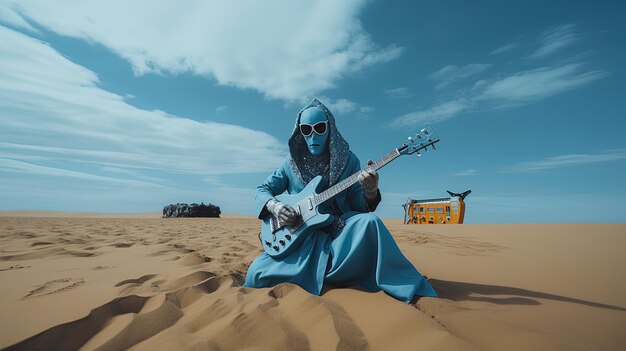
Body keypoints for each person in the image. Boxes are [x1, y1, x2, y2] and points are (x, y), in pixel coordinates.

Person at [244, 98, 436, 303]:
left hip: (339, 234)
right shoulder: (289, 163)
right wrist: (276, 206)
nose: (313, 135)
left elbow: (356, 203)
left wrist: (370, 192)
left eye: (319, 128)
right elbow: (263, 190)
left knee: (371, 223)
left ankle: (394, 280)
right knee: (256, 273)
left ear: (330, 129)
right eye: (306, 130)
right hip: (301, 240)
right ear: (299, 132)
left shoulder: (348, 160)